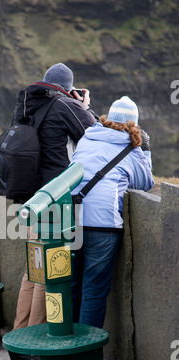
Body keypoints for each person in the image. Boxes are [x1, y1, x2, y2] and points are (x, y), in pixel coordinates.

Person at [13, 63, 98, 330]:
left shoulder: (27, 105)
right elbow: (94, 134)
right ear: (68, 88)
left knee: (32, 270)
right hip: (54, 199)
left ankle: (19, 330)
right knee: (48, 272)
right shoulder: (64, 105)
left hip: (31, 198)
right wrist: (83, 106)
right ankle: (36, 335)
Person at [71, 96, 154, 332]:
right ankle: (86, 354)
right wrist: (144, 150)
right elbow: (145, 183)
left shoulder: (88, 137)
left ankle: (66, 347)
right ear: (134, 123)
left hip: (70, 218)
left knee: (72, 286)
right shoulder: (130, 148)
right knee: (94, 292)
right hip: (102, 225)